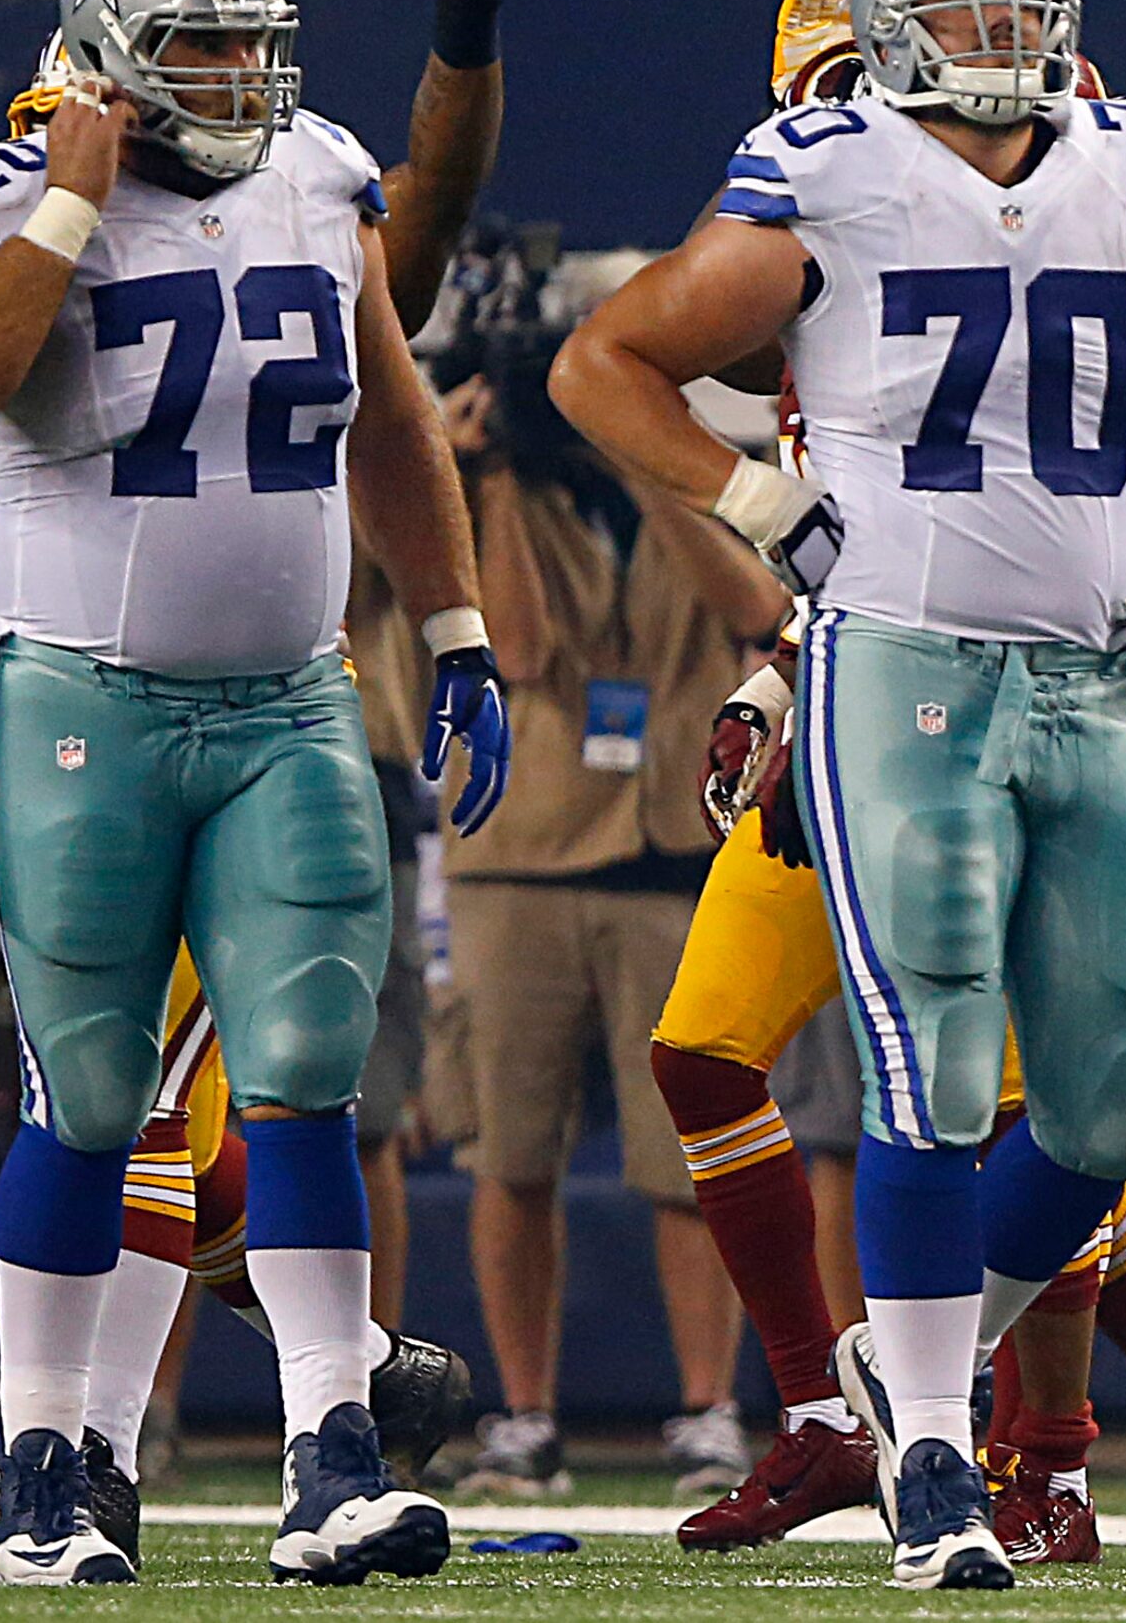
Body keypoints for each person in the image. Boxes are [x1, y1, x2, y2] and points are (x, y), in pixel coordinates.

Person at [551, 0, 1126, 1589]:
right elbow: (603, 362)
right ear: (898, 26)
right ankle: (932, 1453)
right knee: (920, 1068)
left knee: (1118, 1096)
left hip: (1104, 671)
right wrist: (759, 499)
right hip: (901, 667)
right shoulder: (827, 170)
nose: (999, 28)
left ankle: (910, 1375)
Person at [0, 0, 510, 1585]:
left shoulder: (319, 173)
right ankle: (42, 1473)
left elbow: (383, 408)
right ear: (103, 61)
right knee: (86, 1096)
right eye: (198, 49)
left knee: (307, 1071)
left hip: (294, 695)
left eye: (254, 44)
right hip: (87, 695)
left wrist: (453, 626)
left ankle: (332, 1455)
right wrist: (77, 195)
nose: (240, 78)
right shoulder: (6, 189)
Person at [434, 252, 784, 1499]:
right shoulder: (488, 473)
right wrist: (499, 472)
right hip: (523, 857)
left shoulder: (720, 471)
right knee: (511, 1155)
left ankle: (705, 1409)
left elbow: (757, 610)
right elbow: (515, 648)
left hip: (677, 854)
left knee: (690, 1154)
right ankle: (522, 1414)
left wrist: (652, 451)